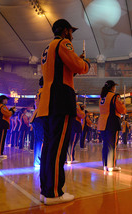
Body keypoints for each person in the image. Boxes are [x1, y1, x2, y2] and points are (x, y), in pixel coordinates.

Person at [37, 19, 89, 205]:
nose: (72, 35)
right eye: (71, 31)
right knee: (58, 149)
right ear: (65, 31)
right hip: (60, 99)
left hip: (48, 102)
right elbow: (78, 66)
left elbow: (61, 71)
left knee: (50, 148)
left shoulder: (48, 47)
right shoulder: (63, 43)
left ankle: (46, 190)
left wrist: (76, 65)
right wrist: (85, 63)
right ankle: (54, 193)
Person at [98, 80, 126, 172]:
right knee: (112, 145)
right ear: (112, 87)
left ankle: (105, 164)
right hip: (112, 122)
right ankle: (111, 165)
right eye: (114, 86)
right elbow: (122, 110)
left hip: (102, 123)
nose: (115, 88)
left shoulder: (102, 97)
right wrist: (123, 106)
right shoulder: (114, 96)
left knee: (105, 145)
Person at [30, 77, 44, 168]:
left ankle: (38, 160)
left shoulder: (40, 91)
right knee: (40, 140)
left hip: (37, 117)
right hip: (40, 116)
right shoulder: (43, 91)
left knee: (39, 140)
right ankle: (38, 161)